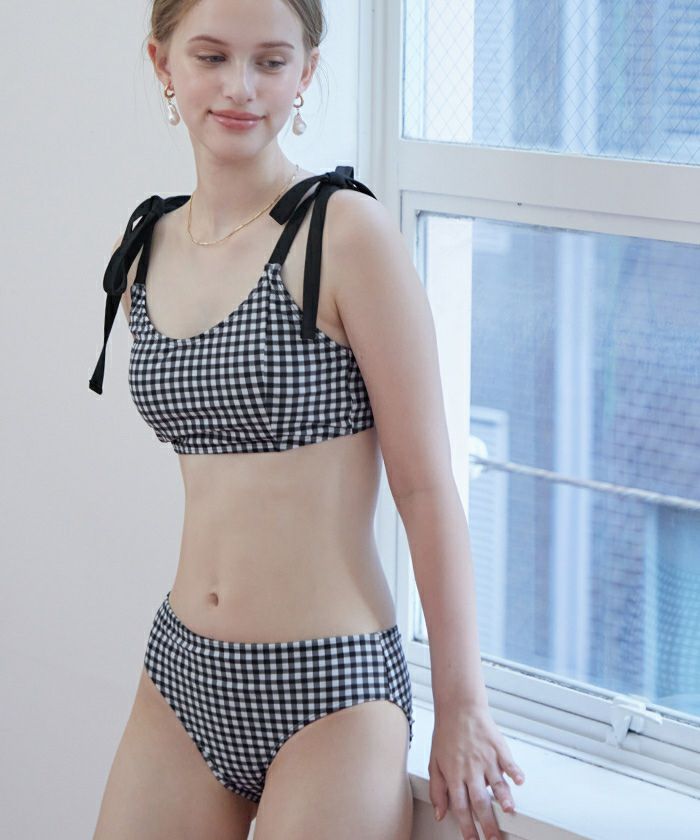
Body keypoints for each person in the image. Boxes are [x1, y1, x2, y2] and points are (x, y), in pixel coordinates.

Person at [89, 1, 525, 838]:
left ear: (307, 72)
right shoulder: (146, 245)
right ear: (162, 64)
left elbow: (425, 486)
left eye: (271, 61)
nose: (241, 88)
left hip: (331, 691)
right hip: (181, 669)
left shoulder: (346, 233)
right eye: (211, 57)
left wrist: (463, 704)